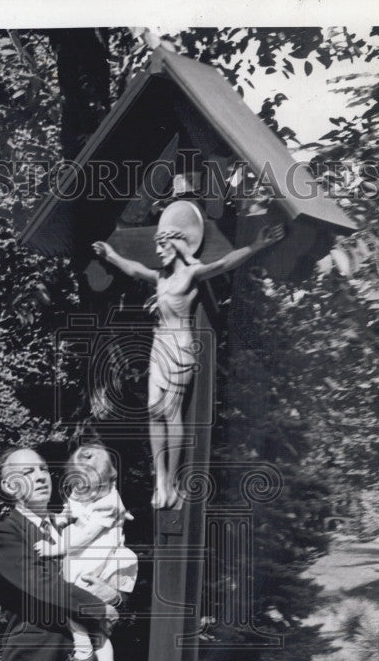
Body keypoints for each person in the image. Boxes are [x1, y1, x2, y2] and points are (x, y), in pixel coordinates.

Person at [92, 201, 284, 509]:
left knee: (171, 413)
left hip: (180, 349)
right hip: (158, 347)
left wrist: (256, 245)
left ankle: (175, 480)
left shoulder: (191, 274)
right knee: (154, 410)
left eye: (163, 245)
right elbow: (134, 269)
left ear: (177, 244)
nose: (158, 251)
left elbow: (225, 263)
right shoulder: (162, 279)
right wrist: (112, 255)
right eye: (157, 246)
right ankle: (161, 479)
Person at [0, 446, 120, 661]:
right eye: (28, 472)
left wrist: (115, 594)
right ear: (9, 486)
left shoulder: (74, 526)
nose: (41, 476)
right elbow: (41, 583)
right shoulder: (3, 533)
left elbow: (109, 564)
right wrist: (98, 607)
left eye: (43, 469)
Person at [33, 444, 138, 661]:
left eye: (90, 488)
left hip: (96, 560)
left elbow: (85, 536)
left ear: (107, 481)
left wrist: (54, 547)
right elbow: (71, 511)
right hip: (81, 558)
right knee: (94, 626)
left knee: (71, 601)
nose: (82, 493)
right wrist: (59, 519)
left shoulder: (110, 503)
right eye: (78, 486)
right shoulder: (84, 490)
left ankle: (83, 652)